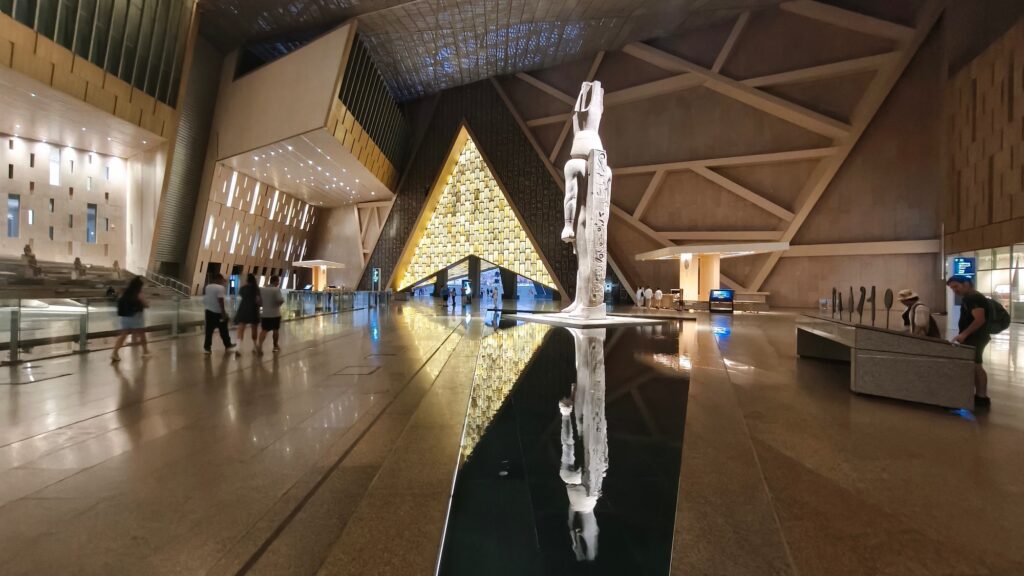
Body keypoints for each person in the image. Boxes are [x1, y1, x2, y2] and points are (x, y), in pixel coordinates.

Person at [946, 276, 990, 407]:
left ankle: (981, 397)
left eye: (956, 286)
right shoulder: (970, 297)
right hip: (974, 337)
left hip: (975, 338)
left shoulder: (973, 298)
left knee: (976, 366)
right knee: (975, 366)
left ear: (966, 283)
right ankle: (980, 396)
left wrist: (964, 334)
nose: (954, 290)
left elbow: (979, 319)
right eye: (952, 288)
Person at [111, 277, 149, 362]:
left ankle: (115, 352)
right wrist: (145, 303)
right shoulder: (139, 293)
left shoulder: (125, 292)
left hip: (125, 318)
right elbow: (146, 305)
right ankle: (145, 352)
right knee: (142, 335)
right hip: (136, 318)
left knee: (123, 336)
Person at [203, 274, 235, 354]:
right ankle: (227, 345)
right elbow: (220, 301)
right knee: (224, 329)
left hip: (208, 311)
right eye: (221, 280)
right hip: (217, 312)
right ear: (218, 279)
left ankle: (207, 347)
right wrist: (223, 313)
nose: (222, 281)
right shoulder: (220, 288)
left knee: (209, 330)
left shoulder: (208, 287)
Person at [234, 273, 262, 353]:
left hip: (243, 309)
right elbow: (259, 301)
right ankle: (254, 346)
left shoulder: (243, 288)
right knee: (254, 329)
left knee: (241, 329)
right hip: (253, 310)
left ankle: (238, 348)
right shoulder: (256, 289)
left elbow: (241, 295)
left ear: (247, 280)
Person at [258, 275, 285, 354]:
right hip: (275, 314)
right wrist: (278, 305)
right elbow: (280, 300)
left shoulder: (263, 289)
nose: (278, 283)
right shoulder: (276, 290)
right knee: (275, 330)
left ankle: (259, 346)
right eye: (278, 281)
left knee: (264, 330)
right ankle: (275, 346)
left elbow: (259, 302)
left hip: (265, 314)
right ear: (275, 281)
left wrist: (265, 306)